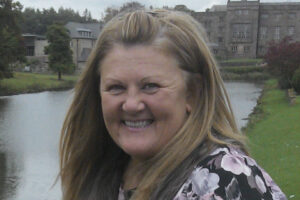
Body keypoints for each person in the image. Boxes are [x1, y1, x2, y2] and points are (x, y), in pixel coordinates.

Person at [59, 9, 287, 200]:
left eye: (150, 86)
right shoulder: (103, 174)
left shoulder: (224, 180)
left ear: (192, 93)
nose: (131, 104)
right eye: (116, 87)